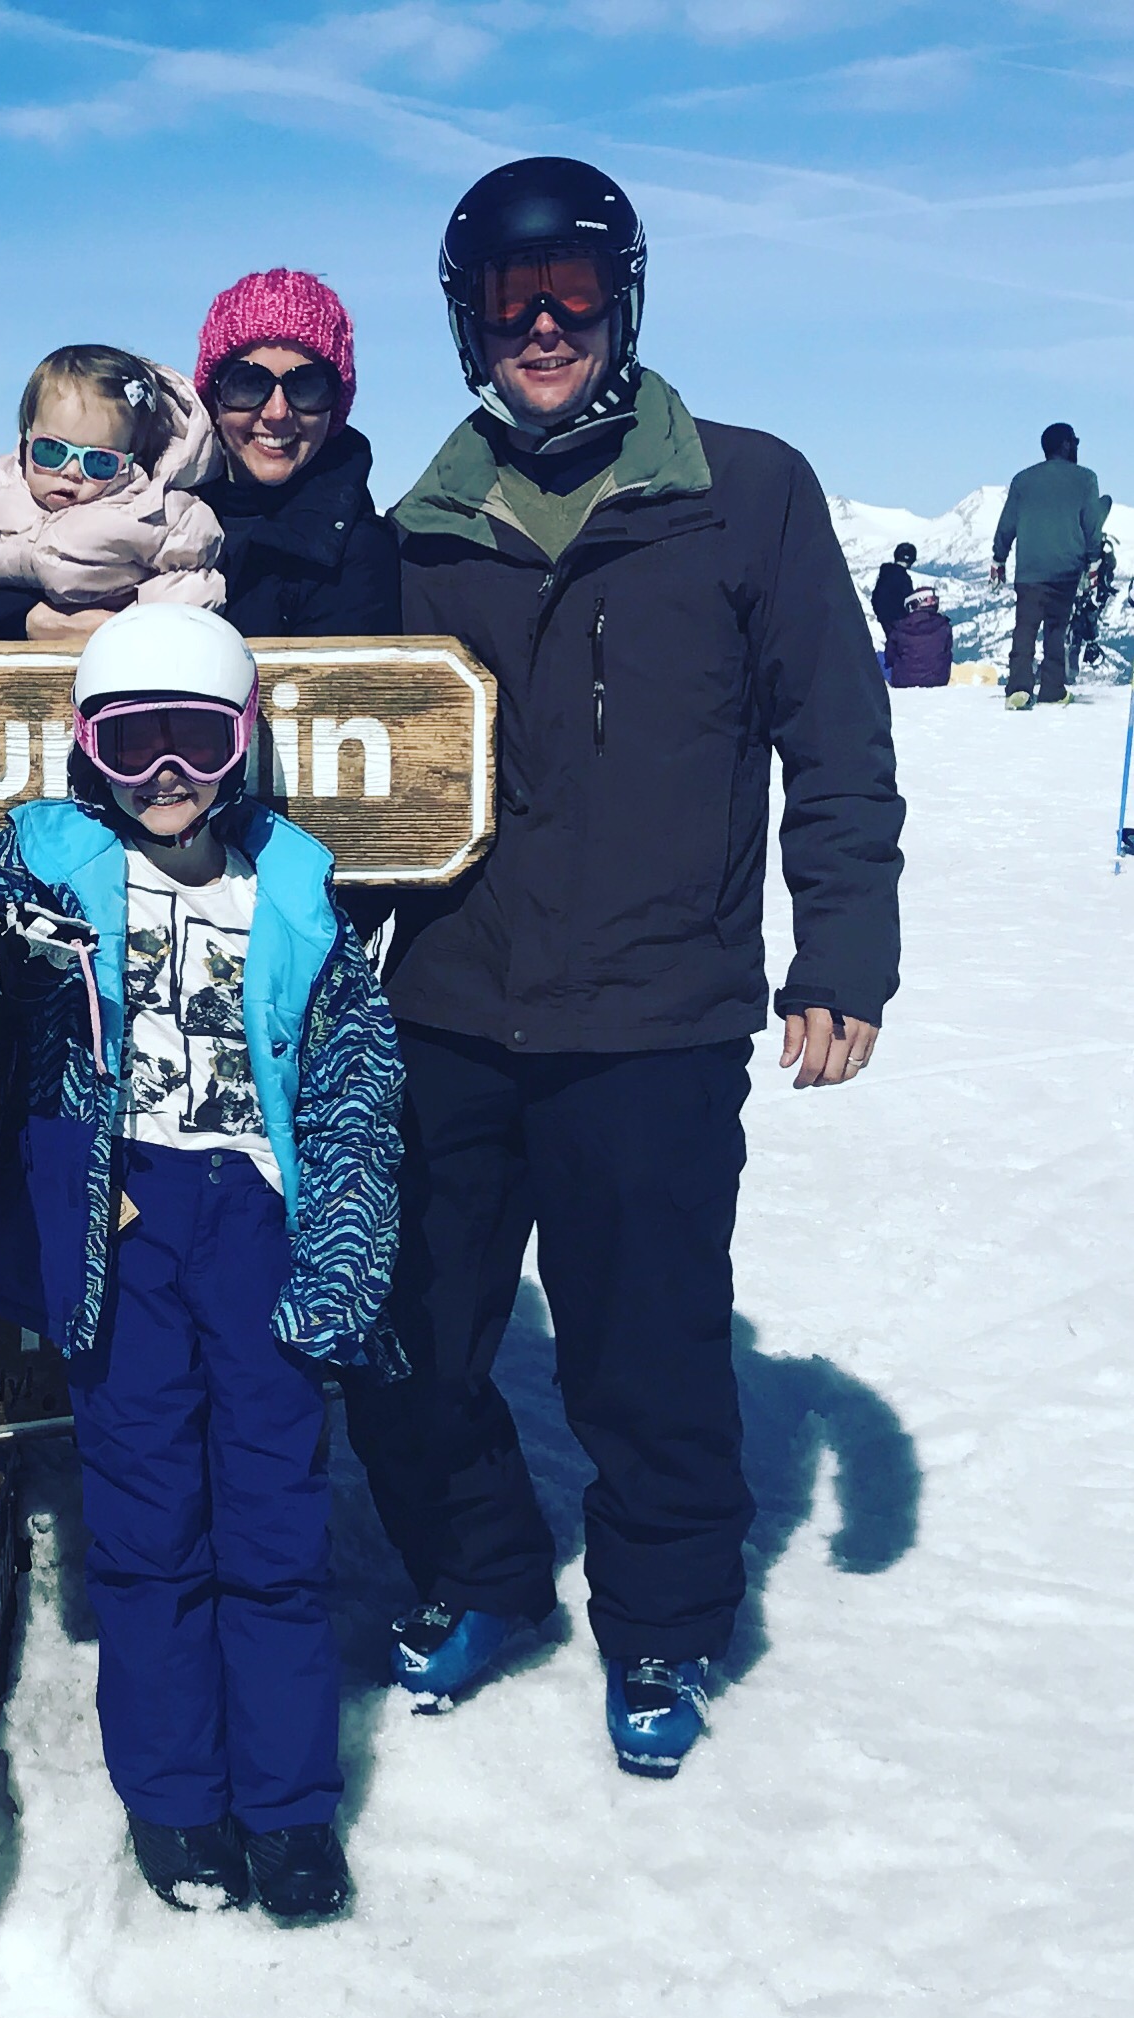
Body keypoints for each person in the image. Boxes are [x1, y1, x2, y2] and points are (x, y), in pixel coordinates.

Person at [345, 156, 904, 1777]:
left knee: (644, 1354)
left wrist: (843, 952)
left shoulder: (747, 492)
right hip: (449, 1001)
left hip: (656, 1011)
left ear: (624, 303)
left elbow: (835, 739)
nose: (544, 325)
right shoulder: (418, 530)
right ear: (468, 321)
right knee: (401, 1329)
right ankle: (483, 1575)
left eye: (573, 293)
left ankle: (660, 1625)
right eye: (509, 299)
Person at [0, 603, 405, 1921]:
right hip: (121, 1220)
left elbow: (354, 1085)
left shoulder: (295, 886)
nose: (165, 775)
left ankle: (287, 1808)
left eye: (195, 743)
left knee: (274, 1525)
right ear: (87, 750)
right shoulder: (54, 856)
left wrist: (339, 1257)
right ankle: (174, 1800)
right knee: (147, 1521)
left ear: (243, 745)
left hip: (259, 1220)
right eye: (131, 745)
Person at [0, 346, 222, 645]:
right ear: (26, 441)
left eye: (99, 461)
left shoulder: (145, 511)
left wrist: (135, 622)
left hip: (116, 649)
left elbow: (194, 579)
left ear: (130, 463)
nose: (71, 471)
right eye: (52, 450)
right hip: (18, 652)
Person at [190, 268, 402, 640]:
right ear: (214, 399)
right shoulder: (151, 514)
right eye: (247, 384)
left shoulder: (359, 554)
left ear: (334, 408)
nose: (277, 413)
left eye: (306, 386)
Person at [992, 424, 1106, 708]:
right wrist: (1094, 559)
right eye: (1075, 442)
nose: (1076, 446)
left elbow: (1007, 524)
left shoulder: (1023, 480)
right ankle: (1052, 689)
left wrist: (999, 557)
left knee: (1025, 628)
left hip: (1029, 569)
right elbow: (1091, 523)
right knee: (1056, 630)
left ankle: (1018, 689)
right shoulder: (1085, 479)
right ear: (1066, 445)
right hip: (1066, 567)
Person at [885, 585, 952, 689]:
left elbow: (890, 657)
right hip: (938, 681)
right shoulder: (944, 626)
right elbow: (947, 653)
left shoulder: (899, 628)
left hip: (903, 681)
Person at [870, 541, 917, 635]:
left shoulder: (885, 574)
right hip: (899, 622)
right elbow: (909, 601)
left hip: (886, 620)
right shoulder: (904, 579)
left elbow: (876, 598)